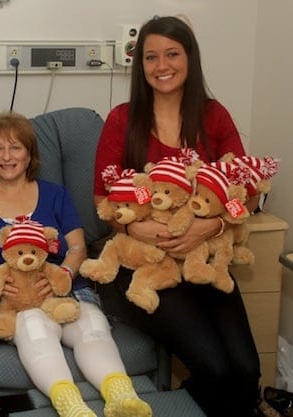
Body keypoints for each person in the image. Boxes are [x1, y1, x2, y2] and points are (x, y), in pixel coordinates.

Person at [93, 15, 261, 417]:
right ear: (141, 65)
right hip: (143, 264)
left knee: (247, 369)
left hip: (200, 257)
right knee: (216, 369)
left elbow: (248, 193)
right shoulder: (122, 118)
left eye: (172, 54)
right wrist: (138, 225)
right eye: (151, 57)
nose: (161, 65)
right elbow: (102, 198)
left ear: (190, 58)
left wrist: (214, 224)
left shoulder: (213, 116)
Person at [0, 111, 153, 417]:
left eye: (16, 147)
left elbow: (79, 246)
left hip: (65, 290)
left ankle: (122, 397)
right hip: (12, 299)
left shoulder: (56, 195)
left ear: (30, 154)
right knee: (34, 325)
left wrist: (63, 276)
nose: (7, 156)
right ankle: (71, 406)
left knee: (91, 324)